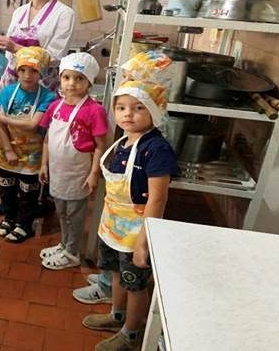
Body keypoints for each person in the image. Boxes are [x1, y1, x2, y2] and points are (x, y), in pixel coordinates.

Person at [81, 75, 178, 351]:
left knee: (135, 285)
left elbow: (157, 199)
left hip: (137, 233)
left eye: (138, 108)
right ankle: (117, 316)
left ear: (154, 110)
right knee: (115, 273)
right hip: (112, 227)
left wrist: (143, 242)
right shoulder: (123, 141)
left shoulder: (156, 149)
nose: (128, 114)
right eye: (121, 107)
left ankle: (131, 334)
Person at [38, 53, 107, 270]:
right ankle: (64, 244)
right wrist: (43, 164)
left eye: (79, 78)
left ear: (89, 82)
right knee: (61, 211)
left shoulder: (94, 110)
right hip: (57, 170)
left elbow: (100, 145)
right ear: (60, 78)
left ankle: (72, 253)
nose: (72, 83)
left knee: (75, 214)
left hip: (78, 172)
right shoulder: (55, 106)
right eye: (67, 77)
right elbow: (48, 138)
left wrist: (94, 173)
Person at [0, 47, 56, 243]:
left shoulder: (47, 97)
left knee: (29, 191)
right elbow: (0, 125)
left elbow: (33, 124)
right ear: (17, 71)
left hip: (32, 155)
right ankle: (9, 218)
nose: (27, 75)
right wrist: (8, 150)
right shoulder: (7, 92)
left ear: (41, 73)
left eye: (34, 71)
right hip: (7, 152)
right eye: (23, 70)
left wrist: (4, 118)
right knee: (7, 189)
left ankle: (25, 224)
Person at [0, 0, 75, 94]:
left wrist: (16, 48)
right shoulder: (19, 12)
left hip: (41, 87)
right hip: (11, 83)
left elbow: (55, 57)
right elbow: (9, 56)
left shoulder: (64, 14)